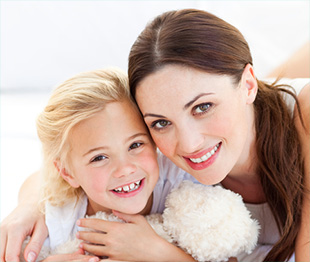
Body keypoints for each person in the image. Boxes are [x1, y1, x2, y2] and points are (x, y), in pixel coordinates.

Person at [1, 8, 309, 262]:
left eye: (203, 107)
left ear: (248, 85)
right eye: (160, 122)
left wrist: (160, 253)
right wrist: (31, 206)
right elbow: (61, 172)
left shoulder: (303, 115)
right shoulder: (157, 158)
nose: (188, 144)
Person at [7, 67, 197, 262]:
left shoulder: (183, 183)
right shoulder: (60, 220)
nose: (125, 169)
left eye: (135, 145)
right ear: (67, 173)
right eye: (99, 158)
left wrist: (159, 253)